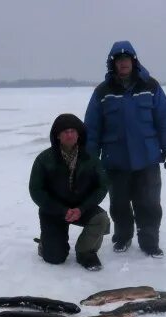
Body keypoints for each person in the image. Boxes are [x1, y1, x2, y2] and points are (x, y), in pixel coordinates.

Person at [84, 40, 166, 258]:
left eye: (127, 59)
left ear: (133, 61)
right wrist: (90, 158)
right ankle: (122, 237)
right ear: (112, 64)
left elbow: (164, 119)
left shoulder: (150, 87)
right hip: (116, 161)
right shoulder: (103, 92)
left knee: (149, 203)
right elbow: (92, 127)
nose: (123, 63)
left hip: (147, 158)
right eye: (119, 60)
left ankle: (149, 241)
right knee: (119, 204)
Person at [29, 113, 110, 271]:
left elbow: (102, 186)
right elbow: (36, 190)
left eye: (73, 131)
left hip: (82, 207)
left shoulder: (91, 158)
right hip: (53, 210)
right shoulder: (44, 159)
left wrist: (82, 208)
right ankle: (46, 244)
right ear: (57, 135)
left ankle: (85, 252)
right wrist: (61, 210)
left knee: (101, 219)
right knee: (55, 258)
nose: (69, 134)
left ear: (79, 134)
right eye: (65, 131)